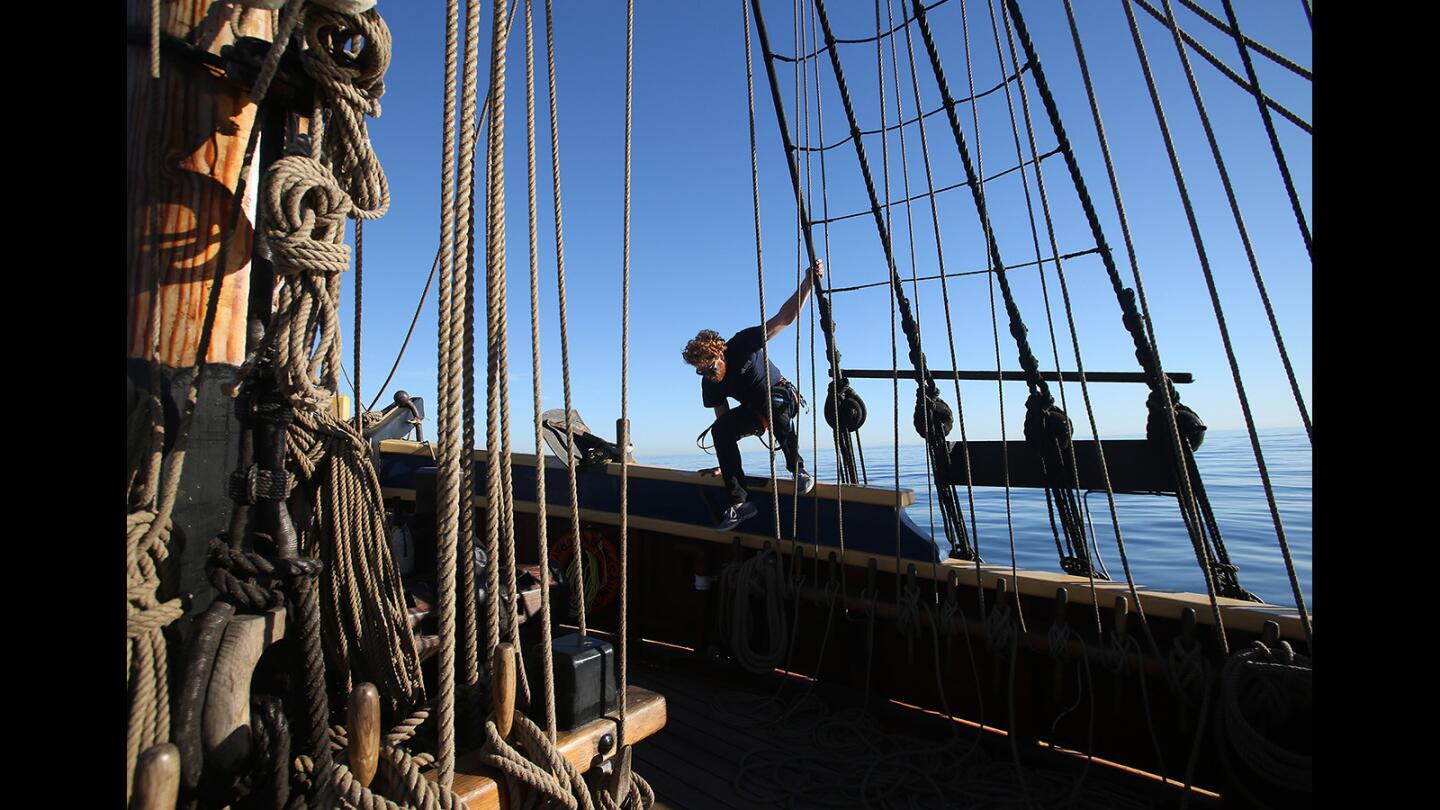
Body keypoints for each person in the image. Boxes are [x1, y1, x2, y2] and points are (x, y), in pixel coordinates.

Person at [682, 260, 823, 531]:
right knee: (720, 431)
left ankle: (798, 469)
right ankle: (739, 503)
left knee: (774, 402)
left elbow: (785, 317)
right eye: (701, 371)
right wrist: (726, 466)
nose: (709, 374)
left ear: (720, 354)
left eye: (710, 367)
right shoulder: (710, 384)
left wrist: (808, 282)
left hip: (782, 397)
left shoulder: (741, 345)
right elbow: (724, 423)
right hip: (756, 412)